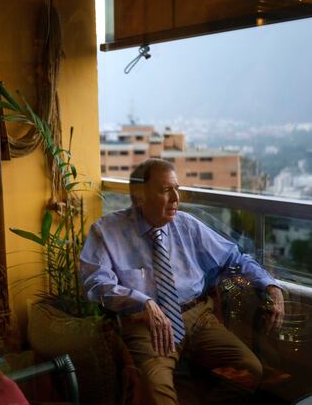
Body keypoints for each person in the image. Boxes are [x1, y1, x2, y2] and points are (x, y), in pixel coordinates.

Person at [80, 158, 285, 405]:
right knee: (157, 393)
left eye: (177, 188)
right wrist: (142, 302)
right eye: (166, 190)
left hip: (198, 316)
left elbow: (234, 257)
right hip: (147, 324)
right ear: (140, 196)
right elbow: (95, 283)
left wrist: (271, 285)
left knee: (250, 369)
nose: (176, 198)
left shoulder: (186, 225)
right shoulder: (107, 231)